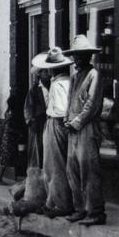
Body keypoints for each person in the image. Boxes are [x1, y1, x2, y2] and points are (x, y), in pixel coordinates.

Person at [63, 35, 106, 226]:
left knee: (89, 169)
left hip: (87, 128)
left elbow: (92, 104)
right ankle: (80, 208)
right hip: (72, 128)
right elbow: (70, 101)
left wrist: (77, 122)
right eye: (75, 55)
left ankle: (95, 211)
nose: (78, 59)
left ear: (89, 56)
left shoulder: (94, 75)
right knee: (72, 168)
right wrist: (66, 119)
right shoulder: (74, 77)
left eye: (82, 55)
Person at [35, 48, 74, 219]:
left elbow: (59, 109)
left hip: (56, 122)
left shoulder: (57, 84)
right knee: (63, 164)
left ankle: (60, 203)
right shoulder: (70, 81)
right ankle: (59, 200)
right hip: (64, 124)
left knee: (54, 165)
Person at [0, 89, 24, 185]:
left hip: (8, 138)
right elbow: (10, 128)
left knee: (7, 157)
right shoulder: (12, 114)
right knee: (6, 158)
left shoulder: (8, 112)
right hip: (9, 138)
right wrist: (19, 133)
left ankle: (3, 178)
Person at [23, 68, 50, 169]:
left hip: (49, 121)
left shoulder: (52, 87)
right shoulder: (34, 90)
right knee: (39, 148)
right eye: (45, 71)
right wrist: (31, 120)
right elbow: (28, 107)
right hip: (38, 123)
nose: (48, 74)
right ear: (39, 74)